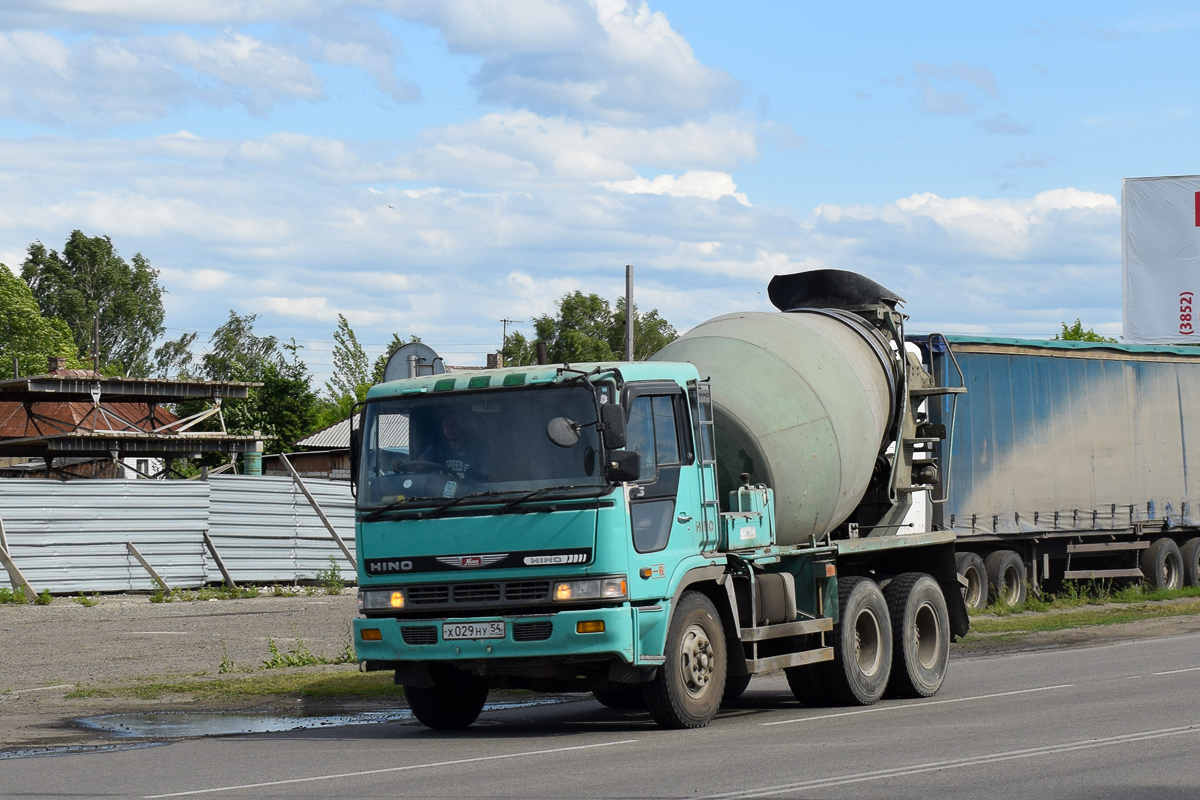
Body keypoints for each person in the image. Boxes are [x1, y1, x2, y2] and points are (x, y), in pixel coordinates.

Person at [419, 406, 486, 481]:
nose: (449, 429)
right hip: (440, 492)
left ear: (464, 426)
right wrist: (403, 464)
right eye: (446, 425)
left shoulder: (478, 450)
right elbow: (416, 466)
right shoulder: (436, 448)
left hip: (469, 492)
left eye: (455, 425)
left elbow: (493, 478)